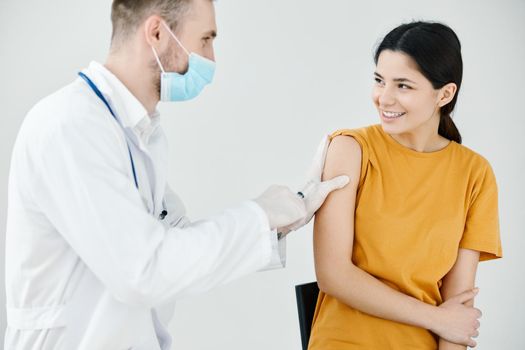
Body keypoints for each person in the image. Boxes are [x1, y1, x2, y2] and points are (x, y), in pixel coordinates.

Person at [4, 0, 349, 349]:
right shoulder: (71, 126)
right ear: (156, 33)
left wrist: (286, 218)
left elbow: (176, 242)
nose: (211, 60)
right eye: (205, 39)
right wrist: (261, 215)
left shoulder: (138, 132)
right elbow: (144, 270)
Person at [308, 21, 502, 349]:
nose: (384, 98)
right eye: (379, 80)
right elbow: (333, 273)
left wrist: (446, 324)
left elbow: (459, 308)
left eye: (403, 86)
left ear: (444, 93)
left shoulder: (474, 173)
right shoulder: (350, 149)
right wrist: (436, 318)